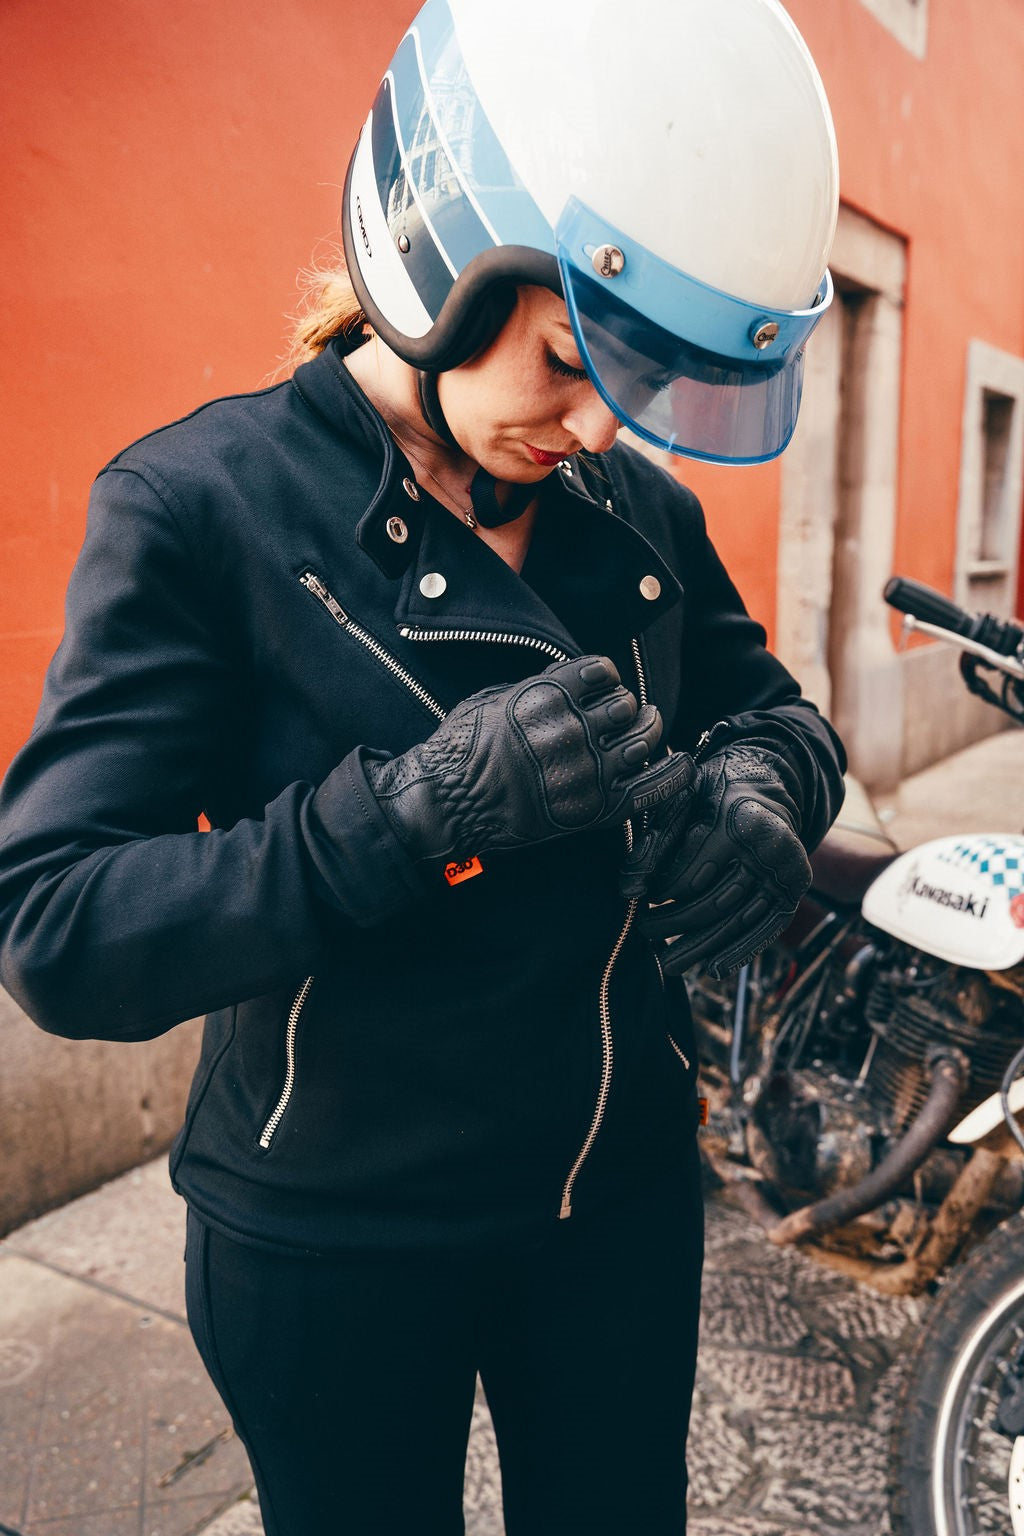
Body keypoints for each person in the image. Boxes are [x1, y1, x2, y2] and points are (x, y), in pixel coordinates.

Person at [0, 0, 845, 1530]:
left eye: (642, 385)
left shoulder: (639, 521)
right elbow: (62, 932)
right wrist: (407, 815)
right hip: (333, 1237)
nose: (597, 424)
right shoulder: (204, 507)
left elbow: (777, 711)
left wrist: (767, 794)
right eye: (567, 359)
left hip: (616, 1205)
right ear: (450, 256)